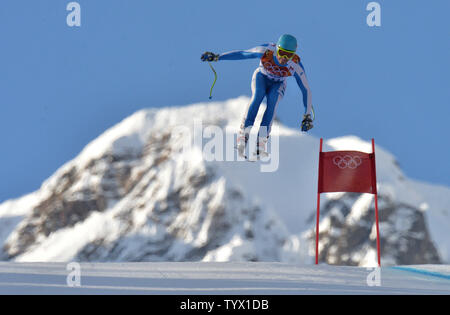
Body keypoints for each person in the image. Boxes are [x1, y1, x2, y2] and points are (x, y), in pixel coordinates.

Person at [201, 34, 313, 158]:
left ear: (294, 55)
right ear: (277, 49)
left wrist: (307, 115)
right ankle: (244, 134)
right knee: (258, 95)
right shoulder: (266, 51)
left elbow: (306, 89)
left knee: (272, 102)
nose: (284, 58)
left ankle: (261, 141)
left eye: (289, 55)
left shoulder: (295, 65)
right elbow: (243, 54)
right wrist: (218, 57)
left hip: (278, 84)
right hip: (261, 77)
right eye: (282, 52)